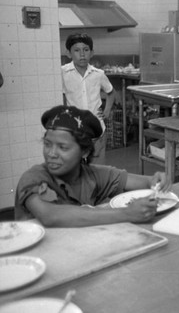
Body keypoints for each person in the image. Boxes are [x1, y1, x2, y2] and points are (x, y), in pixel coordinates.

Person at [15, 105, 170, 227]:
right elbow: (50, 215)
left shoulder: (93, 175)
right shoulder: (34, 178)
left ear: (85, 151)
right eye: (48, 145)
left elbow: (145, 182)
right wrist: (127, 213)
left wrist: (156, 181)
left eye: (63, 147)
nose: (51, 154)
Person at [62, 33, 118, 165]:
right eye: (76, 50)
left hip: (97, 132)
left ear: (92, 53)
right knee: (76, 170)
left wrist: (107, 111)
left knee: (97, 170)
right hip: (74, 133)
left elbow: (111, 92)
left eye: (86, 50)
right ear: (68, 53)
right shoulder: (62, 73)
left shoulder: (98, 74)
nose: (82, 54)